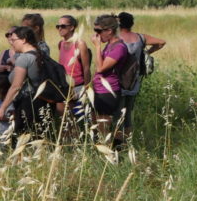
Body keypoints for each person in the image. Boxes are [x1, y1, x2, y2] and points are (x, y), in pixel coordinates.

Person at [117, 11, 166, 138]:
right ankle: (128, 143)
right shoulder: (140, 37)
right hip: (134, 79)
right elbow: (161, 42)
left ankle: (118, 144)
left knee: (118, 114)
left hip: (118, 79)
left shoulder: (116, 38)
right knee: (128, 114)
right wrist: (148, 52)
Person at [0, 26, 47, 139]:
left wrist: (2, 108)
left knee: (22, 139)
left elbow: (16, 86)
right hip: (40, 102)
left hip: (26, 103)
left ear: (24, 40)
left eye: (14, 40)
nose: (11, 43)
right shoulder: (39, 54)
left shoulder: (24, 59)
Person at [90, 14, 128, 144]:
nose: (97, 35)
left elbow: (101, 68)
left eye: (98, 31)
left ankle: (109, 155)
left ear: (109, 31)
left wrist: (97, 47)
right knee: (96, 126)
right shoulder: (110, 45)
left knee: (103, 129)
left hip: (108, 91)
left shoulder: (119, 48)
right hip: (100, 89)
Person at [56, 15, 92, 131]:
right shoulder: (60, 44)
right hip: (63, 86)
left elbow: (86, 68)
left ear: (72, 27)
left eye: (63, 26)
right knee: (65, 119)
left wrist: (86, 89)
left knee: (76, 118)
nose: (60, 29)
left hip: (77, 86)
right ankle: (70, 143)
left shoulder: (80, 44)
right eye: (58, 26)